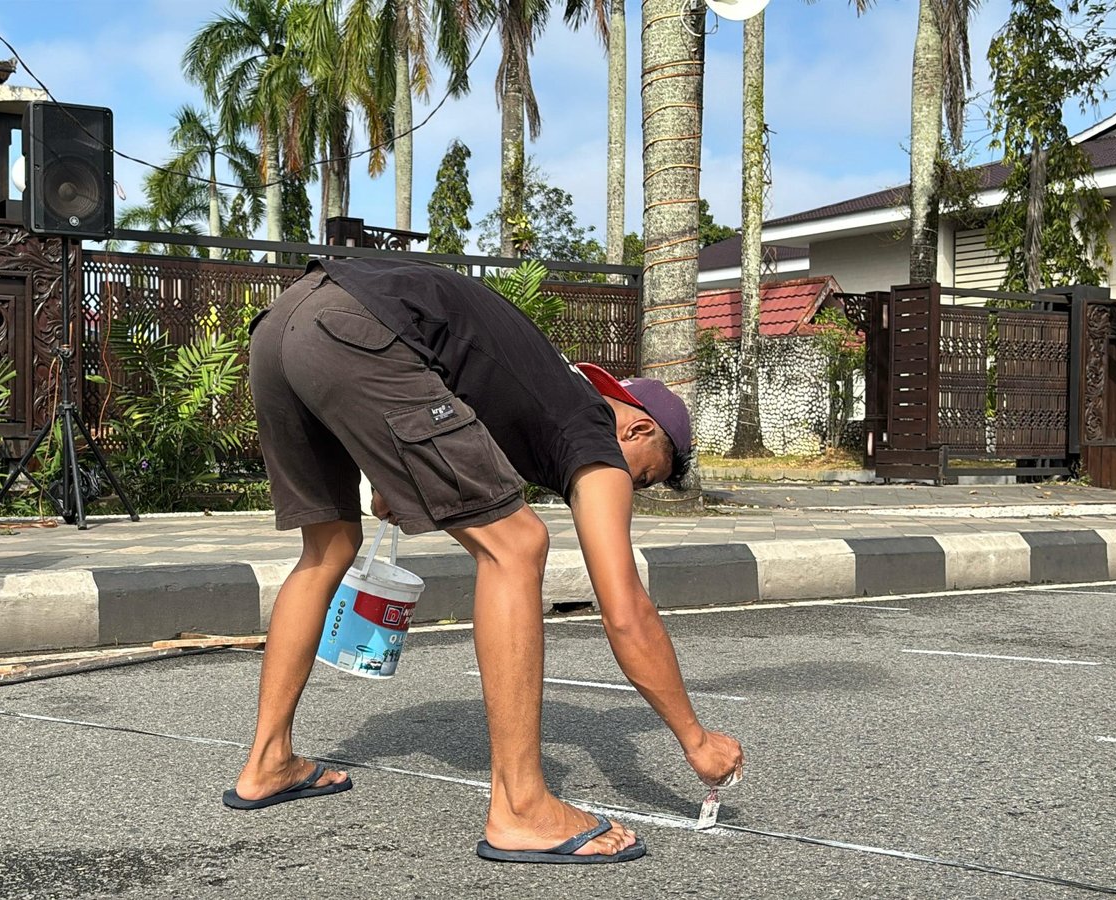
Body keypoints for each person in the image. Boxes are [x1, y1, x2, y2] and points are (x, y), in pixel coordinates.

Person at [229, 258, 743, 864]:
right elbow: (625, 608)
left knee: (329, 544)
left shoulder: (540, 392)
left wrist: (398, 476)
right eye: (646, 475)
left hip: (286, 322)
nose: (633, 487)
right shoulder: (590, 429)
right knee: (517, 545)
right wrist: (696, 737)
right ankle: (522, 808)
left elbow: (438, 394)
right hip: (358, 325)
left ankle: (268, 761)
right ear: (635, 429)